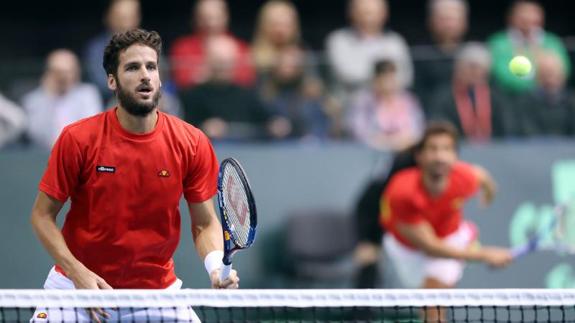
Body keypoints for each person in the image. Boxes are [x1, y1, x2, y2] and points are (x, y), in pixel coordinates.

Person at [29, 29, 239, 323]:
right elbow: (41, 216)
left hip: (155, 294)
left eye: (151, 67)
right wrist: (78, 275)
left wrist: (215, 265)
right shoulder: (78, 139)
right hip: (76, 289)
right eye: (132, 67)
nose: (145, 75)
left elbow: (204, 223)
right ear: (112, 80)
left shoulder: (191, 142)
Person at [381, 121, 512, 321]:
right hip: (408, 248)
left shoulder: (465, 177)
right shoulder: (403, 193)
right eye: (433, 149)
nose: (440, 156)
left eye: (446, 149)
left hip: (449, 236)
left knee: (433, 304)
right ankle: (468, 240)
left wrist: (488, 194)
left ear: (455, 156)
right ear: (420, 156)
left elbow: (483, 177)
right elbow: (431, 247)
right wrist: (485, 255)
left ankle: (464, 238)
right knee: (427, 298)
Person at [181, 35, 290, 141]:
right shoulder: (193, 95)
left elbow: (269, 118)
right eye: (219, 62)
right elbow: (184, 131)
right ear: (209, 61)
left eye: (228, 61)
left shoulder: (246, 94)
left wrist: (276, 123)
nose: (224, 67)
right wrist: (203, 129)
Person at [428, 43, 512, 141]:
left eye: (481, 68)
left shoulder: (495, 97)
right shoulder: (443, 97)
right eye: (472, 67)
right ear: (458, 67)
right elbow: (439, 127)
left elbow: (505, 129)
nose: (476, 72)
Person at [326, 0, 413, 93]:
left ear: (384, 14)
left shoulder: (395, 41)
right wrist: (382, 80)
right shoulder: (338, 40)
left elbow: (406, 77)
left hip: (390, 104)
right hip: (350, 103)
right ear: (351, 13)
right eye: (364, 13)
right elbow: (346, 75)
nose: (368, 19)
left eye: (372, 13)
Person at [22, 49, 102, 149]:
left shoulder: (87, 94)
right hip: (44, 156)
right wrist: (49, 96)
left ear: (76, 73)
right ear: (48, 73)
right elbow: (36, 135)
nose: (63, 77)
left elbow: (91, 129)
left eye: (68, 71)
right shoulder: (33, 100)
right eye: (58, 72)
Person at [487, 0, 570, 94]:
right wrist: (537, 78)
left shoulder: (552, 41)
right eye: (523, 15)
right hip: (510, 99)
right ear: (510, 17)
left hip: (550, 99)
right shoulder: (498, 43)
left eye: (533, 14)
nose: (528, 18)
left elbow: (564, 71)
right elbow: (502, 76)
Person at [169, 0, 254, 89]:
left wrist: (203, 75)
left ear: (226, 17)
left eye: (216, 17)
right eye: (205, 17)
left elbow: (247, 80)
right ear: (195, 19)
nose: (211, 23)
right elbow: (182, 81)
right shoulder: (182, 47)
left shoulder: (240, 47)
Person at [347, 60, 424, 151]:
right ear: (376, 80)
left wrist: (401, 142)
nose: (388, 84)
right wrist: (385, 142)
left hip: (405, 150)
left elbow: (417, 130)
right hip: (372, 152)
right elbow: (358, 133)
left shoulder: (408, 99)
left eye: (391, 79)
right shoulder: (362, 101)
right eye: (384, 79)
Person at [414, 0, 469, 109]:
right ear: (431, 21)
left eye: (453, 19)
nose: (449, 25)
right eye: (443, 19)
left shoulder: (473, 54)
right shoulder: (419, 54)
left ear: (464, 22)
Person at [84, 0, 142, 99]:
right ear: (108, 17)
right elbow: (101, 83)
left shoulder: (148, 46)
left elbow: (160, 76)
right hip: (109, 101)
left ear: (137, 19)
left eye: (130, 17)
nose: (125, 24)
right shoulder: (96, 49)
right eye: (120, 18)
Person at [516, 52, 575, 136]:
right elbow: (528, 133)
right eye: (545, 74)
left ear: (562, 75)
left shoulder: (571, 101)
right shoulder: (526, 102)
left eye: (554, 73)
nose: (550, 79)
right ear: (538, 77)